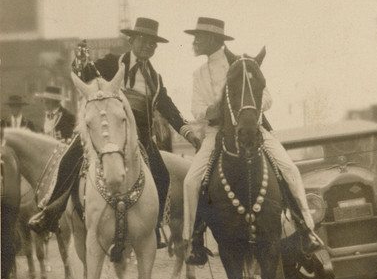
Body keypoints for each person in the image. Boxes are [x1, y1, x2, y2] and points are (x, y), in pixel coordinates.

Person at [29, 17, 201, 249]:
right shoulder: (111, 63)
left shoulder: (155, 79)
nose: (148, 46)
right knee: (69, 158)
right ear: (132, 41)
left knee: (162, 175)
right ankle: (50, 213)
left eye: (152, 43)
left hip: (140, 135)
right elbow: (87, 73)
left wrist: (189, 134)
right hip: (107, 129)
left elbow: (168, 108)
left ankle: (155, 227)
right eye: (143, 41)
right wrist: (80, 61)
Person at [182, 17, 320, 263]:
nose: (194, 41)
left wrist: (251, 109)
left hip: (252, 129)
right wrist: (210, 112)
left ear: (213, 39)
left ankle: (307, 228)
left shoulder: (243, 64)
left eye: (199, 36)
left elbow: (267, 98)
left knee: (288, 168)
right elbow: (196, 108)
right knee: (192, 182)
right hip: (216, 134)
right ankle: (193, 241)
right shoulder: (198, 74)